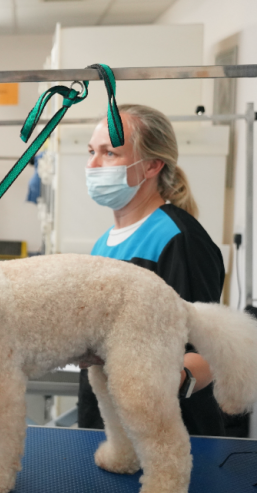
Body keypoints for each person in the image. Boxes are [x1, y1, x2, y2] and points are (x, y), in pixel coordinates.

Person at [78, 103, 228, 436]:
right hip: (106, 431)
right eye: (91, 151)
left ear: (151, 166)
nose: (92, 164)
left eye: (109, 154)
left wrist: (172, 378)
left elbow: (204, 349)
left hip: (165, 436)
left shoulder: (178, 239)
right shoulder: (104, 244)